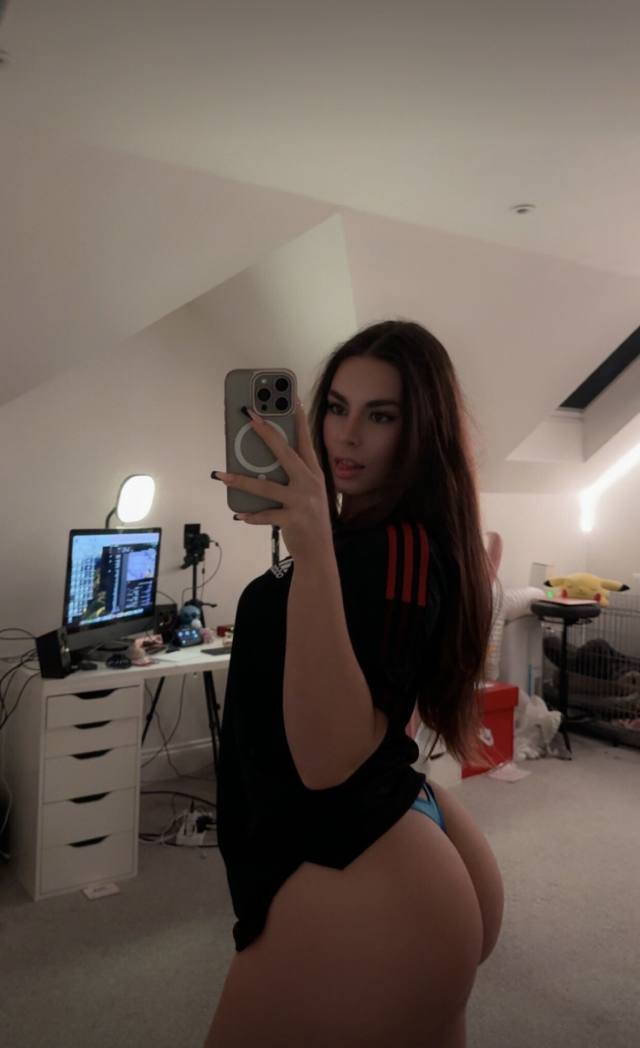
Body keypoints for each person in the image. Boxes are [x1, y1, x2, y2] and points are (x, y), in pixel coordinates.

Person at [205, 320, 504, 1048]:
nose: (347, 435)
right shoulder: (363, 542)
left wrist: (311, 546)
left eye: (381, 415)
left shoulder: (393, 549)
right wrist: (313, 544)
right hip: (386, 842)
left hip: (356, 862)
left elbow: (329, 762)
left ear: (420, 431)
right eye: (337, 407)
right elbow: (385, 706)